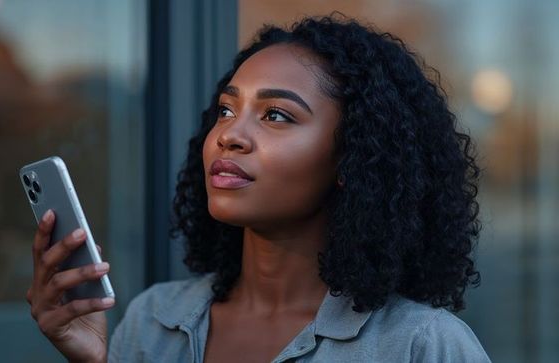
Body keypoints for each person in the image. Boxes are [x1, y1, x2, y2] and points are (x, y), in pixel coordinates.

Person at [27, 15, 491, 362]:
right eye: (227, 110)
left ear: (354, 157)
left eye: (276, 116)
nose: (229, 135)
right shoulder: (154, 322)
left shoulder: (421, 345)